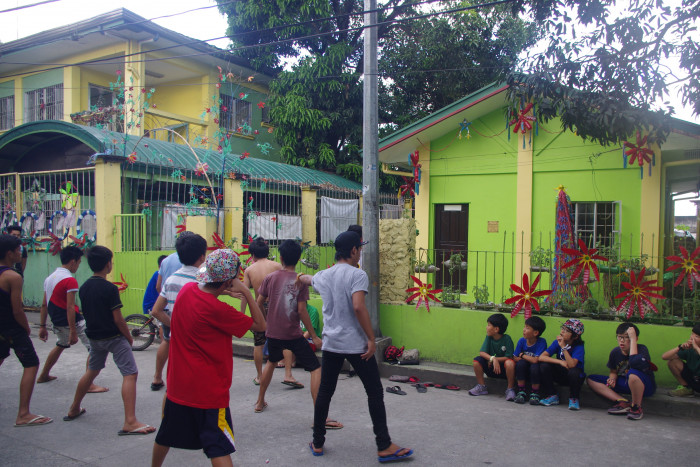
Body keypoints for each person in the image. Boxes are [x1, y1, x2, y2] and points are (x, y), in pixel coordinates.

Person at [298, 231, 413, 462]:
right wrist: (371, 339)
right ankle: (384, 445)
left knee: (325, 392)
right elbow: (359, 307)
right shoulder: (357, 275)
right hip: (357, 345)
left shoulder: (325, 274)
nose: (360, 252)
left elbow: (308, 279)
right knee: (374, 393)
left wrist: (298, 276)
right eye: (359, 248)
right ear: (353, 251)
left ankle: (318, 442)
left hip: (332, 344)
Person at [151, 249, 265, 467]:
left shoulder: (186, 291)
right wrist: (247, 293)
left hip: (178, 386)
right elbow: (261, 325)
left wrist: (224, 290)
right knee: (218, 447)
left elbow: (204, 291)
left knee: (165, 434)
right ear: (228, 282)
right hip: (208, 392)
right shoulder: (219, 311)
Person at [64, 245, 154, 435]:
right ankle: (130, 421)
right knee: (130, 374)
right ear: (108, 265)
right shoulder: (109, 288)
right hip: (114, 337)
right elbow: (118, 319)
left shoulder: (85, 287)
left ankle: (74, 408)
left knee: (91, 372)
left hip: (94, 337)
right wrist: (128, 337)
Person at [253, 240, 343, 429]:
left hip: (274, 332)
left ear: (281, 257)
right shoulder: (300, 280)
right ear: (299, 258)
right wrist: (314, 335)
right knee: (316, 369)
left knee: (271, 362)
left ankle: (260, 402)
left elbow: (258, 302)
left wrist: (266, 320)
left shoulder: (270, 278)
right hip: (293, 333)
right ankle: (320, 416)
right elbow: (302, 310)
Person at [36, 246, 108, 393]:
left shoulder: (50, 278)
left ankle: (43, 375)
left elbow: (44, 304)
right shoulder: (69, 280)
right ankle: (88, 384)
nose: (79, 265)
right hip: (72, 321)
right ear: (73, 262)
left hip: (57, 320)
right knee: (93, 348)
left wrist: (43, 325)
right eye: (79, 262)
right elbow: (70, 307)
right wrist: (73, 332)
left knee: (61, 345)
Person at [0, 234, 52, 427]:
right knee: (31, 364)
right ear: (9, 253)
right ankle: (23, 413)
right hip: (12, 328)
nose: (20, 253)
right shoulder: (13, 277)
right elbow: (17, 310)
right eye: (18, 250)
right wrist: (26, 327)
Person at [150, 233, 207, 391]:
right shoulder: (201, 280)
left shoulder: (171, 278)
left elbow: (156, 310)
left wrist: (176, 325)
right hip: (196, 338)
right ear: (202, 257)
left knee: (176, 380)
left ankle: (158, 378)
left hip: (174, 323)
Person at [238, 237, 296, 386]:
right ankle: (288, 374)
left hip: (259, 307)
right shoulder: (277, 265)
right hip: (278, 306)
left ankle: (259, 376)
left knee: (259, 343)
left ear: (252, 255)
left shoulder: (250, 270)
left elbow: (245, 293)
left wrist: (242, 313)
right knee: (286, 340)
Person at [587, 323, 655, 420]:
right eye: (619, 337)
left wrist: (632, 340)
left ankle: (636, 407)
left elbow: (634, 362)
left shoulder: (642, 349)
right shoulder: (615, 352)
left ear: (636, 339)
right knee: (591, 379)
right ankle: (622, 402)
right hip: (625, 383)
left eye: (627, 338)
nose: (622, 341)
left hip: (644, 386)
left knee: (633, 374)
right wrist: (612, 379)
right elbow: (613, 371)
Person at [538, 318, 586, 410]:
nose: (562, 332)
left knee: (574, 372)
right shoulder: (557, 342)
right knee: (544, 365)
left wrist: (563, 348)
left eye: (567, 330)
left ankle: (574, 399)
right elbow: (541, 357)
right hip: (561, 374)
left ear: (575, 336)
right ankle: (552, 395)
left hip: (574, 377)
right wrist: (560, 361)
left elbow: (572, 365)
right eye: (562, 328)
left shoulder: (578, 347)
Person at [468, 313, 516, 401]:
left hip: (504, 371)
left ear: (496, 329)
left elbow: (509, 357)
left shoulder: (507, 339)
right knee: (477, 361)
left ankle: (510, 389)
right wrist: (492, 359)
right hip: (491, 367)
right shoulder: (489, 337)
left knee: (509, 362)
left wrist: (496, 360)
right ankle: (481, 387)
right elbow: (482, 352)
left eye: (489, 325)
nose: (486, 327)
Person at [513, 316, 547, 404]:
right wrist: (524, 358)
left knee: (534, 367)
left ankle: (535, 393)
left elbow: (536, 360)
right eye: (524, 327)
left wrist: (522, 355)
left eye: (527, 328)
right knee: (521, 364)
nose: (524, 330)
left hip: (535, 370)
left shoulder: (541, 342)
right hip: (524, 369)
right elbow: (515, 357)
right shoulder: (521, 341)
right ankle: (521, 391)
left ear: (535, 333)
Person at [662, 323, 700, 397]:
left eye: (697, 336)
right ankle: (687, 388)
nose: (692, 338)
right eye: (692, 334)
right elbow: (664, 357)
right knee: (672, 361)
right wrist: (680, 347)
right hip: (694, 380)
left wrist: (697, 348)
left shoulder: (695, 348)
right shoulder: (689, 349)